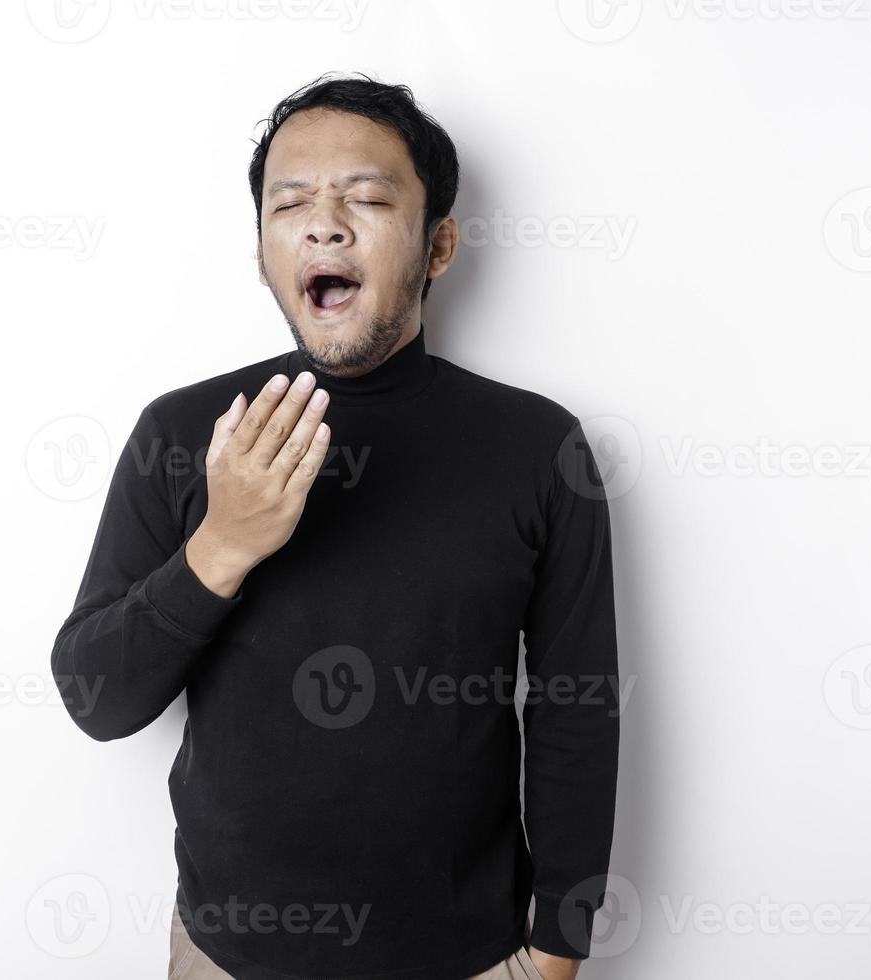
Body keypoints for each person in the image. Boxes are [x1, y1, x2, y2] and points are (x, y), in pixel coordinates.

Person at [51, 72, 621, 980]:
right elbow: (97, 701)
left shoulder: (538, 447)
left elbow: (576, 718)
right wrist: (223, 543)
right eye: (292, 205)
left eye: (366, 198)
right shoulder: (182, 433)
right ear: (263, 249)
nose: (325, 224)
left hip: (469, 958)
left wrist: (557, 953)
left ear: (438, 245)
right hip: (225, 956)